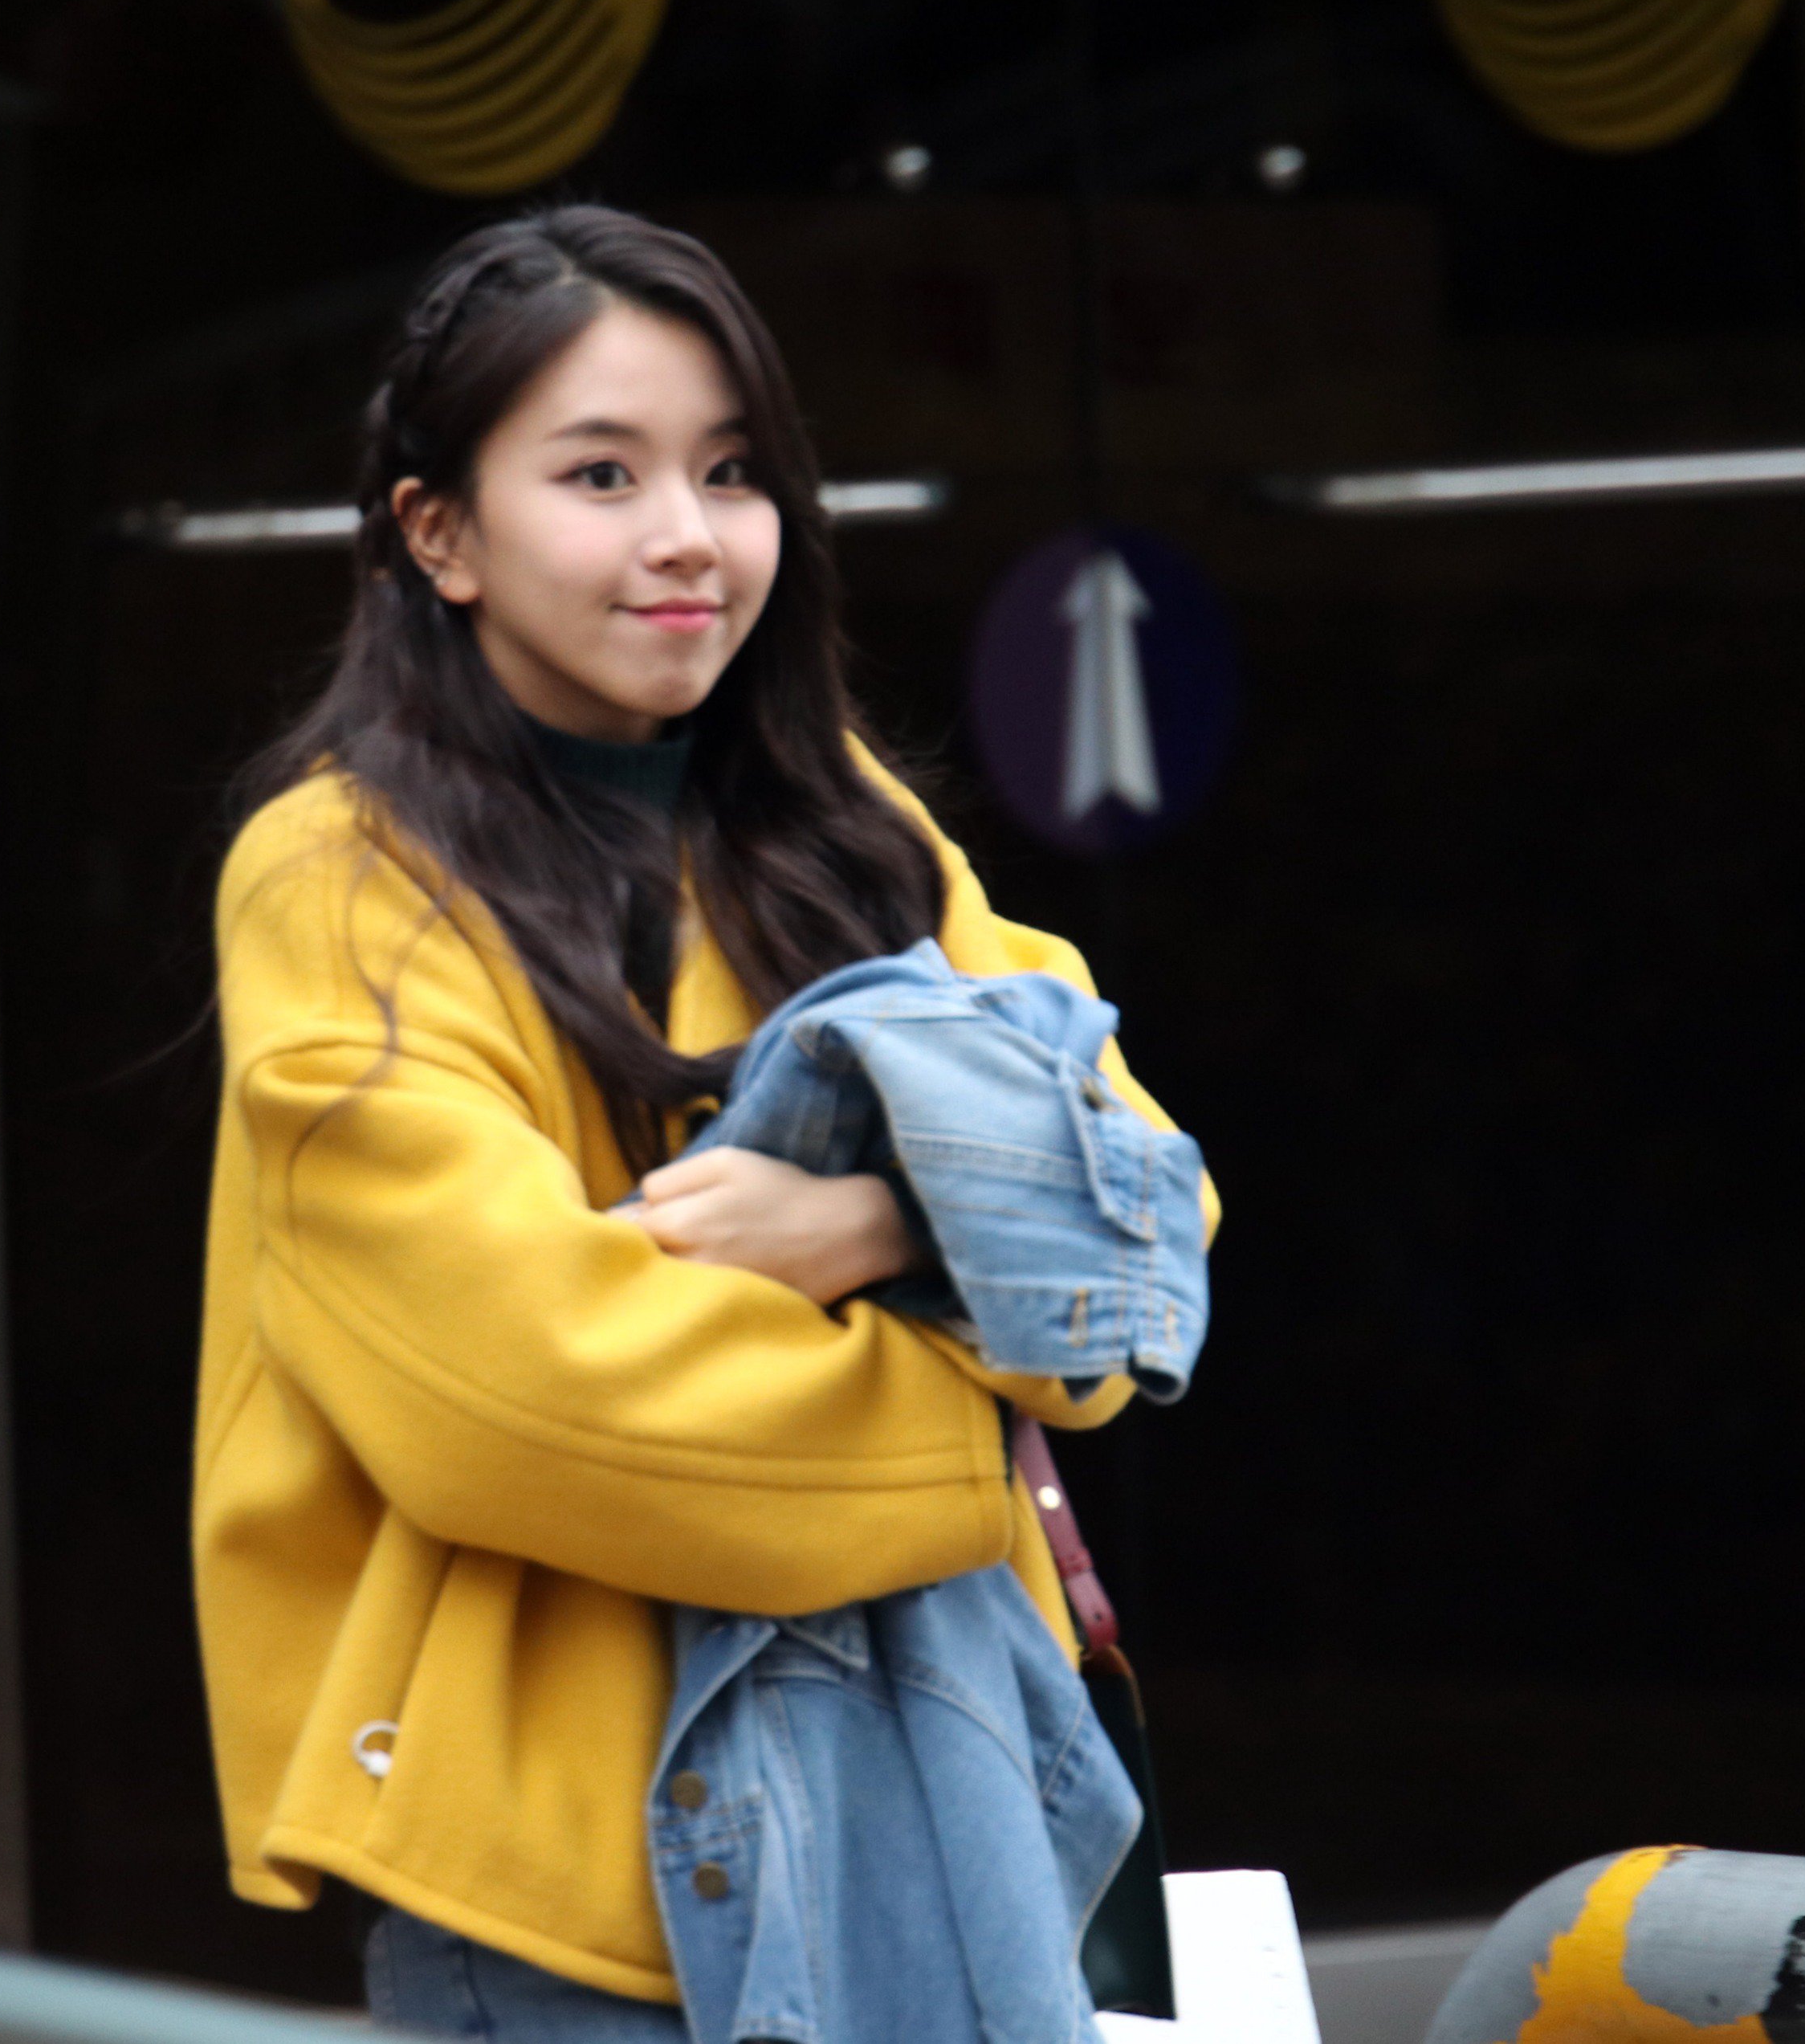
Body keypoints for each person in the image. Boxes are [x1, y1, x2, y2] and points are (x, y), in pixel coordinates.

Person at [194, 206, 1218, 2041]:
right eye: (600, 474)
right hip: (567, 1892)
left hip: (936, 1810)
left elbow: (1148, 1218)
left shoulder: (848, 830)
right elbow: (529, 1398)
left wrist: (875, 1227)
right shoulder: (341, 873)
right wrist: (973, 1392)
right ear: (438, 533)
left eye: (730, 471)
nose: (686, 533)